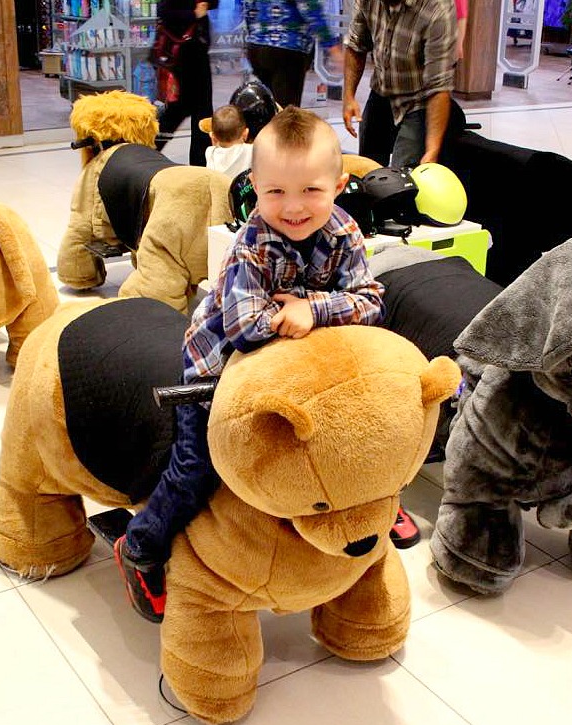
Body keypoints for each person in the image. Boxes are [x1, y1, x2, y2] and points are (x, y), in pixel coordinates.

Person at [114, 106, 386, 622]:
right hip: (218, 373)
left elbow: (372, 302)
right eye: (276, 192)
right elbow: (244, 328)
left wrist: (311, 308)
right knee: (197, 469)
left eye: (311, 190)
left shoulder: (346, 233)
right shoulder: (253, 245)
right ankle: (141, 545)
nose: (294, 207)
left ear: (340, 184)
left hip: (293, 370)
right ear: (254, 186)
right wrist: (307, 314)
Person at [342, 0, 457, 169]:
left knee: (402, 179)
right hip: (381, 91)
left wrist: (432, 149)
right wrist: (349, 96)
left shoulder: (437, 9)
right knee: (367, 171)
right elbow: (356, 45)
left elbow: (438, 85)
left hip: (418, 102)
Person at [239, 0, 345, 107]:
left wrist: (252, 37)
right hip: (288, 48)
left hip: (257, 47)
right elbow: (309, 6)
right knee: (287, 113)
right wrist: (331, 46)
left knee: (267, 108)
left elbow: (248, 6)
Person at [157, 0, 216, 166]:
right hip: (183, 56)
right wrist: (194, 14)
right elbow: (164, 10)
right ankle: (147, 148)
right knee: (179, 111)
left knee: (200, 112)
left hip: (197, 52)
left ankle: (201, 164)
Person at [204, 104, 253, 178]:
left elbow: (214, 146)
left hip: (217, 188)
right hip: (241, 189)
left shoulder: (209, 152)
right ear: (245, 134)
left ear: (213, 137)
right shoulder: (250, 150)